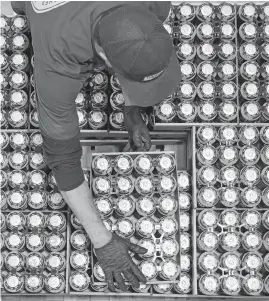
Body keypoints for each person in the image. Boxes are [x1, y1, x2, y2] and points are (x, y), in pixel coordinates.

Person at [11, 1, 181, 292]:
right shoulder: (56, 61)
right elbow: (63, 159)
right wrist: (103, 239)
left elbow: (135, 43)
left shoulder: (154, 6)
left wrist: (132, 109)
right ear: (102, 55)